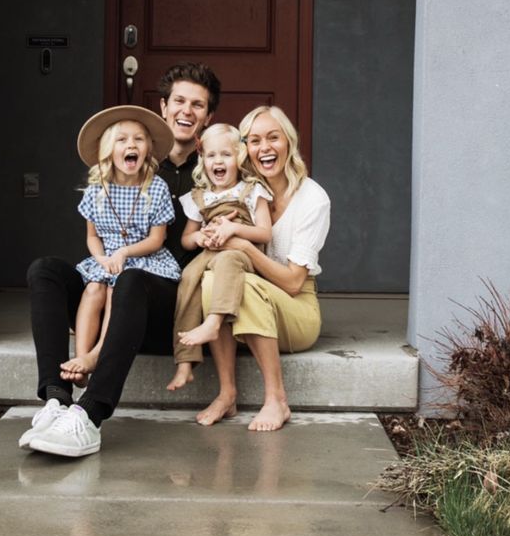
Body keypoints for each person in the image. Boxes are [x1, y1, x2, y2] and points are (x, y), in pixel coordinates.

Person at [18, 62, 220, 458]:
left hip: (166, 299)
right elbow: (96, 230)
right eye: (179, 100)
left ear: (208, 117)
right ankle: (56, 398)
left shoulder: (215, 169)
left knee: (130, 280)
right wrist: (106, 265)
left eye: (198, 105)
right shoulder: (129, 163)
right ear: (163, 108)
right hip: (112, 284)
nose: (186, 110)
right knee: (45, 271)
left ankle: (90, 415)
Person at [195, 106, 330, 432]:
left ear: (289, 143)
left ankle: (277, 399)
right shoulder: (242, 193)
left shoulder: (312, 199)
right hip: (250, 303)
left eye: (273, 138)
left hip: (296, 309)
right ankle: (227, 393)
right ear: (244, 150)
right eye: (254, 140)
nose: (264, 148)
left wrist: (241, 245)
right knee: (213, 278)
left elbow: (295, 282)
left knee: (246, 285)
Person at [59, 110, 180, 384]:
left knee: (118, 287)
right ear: (108, 150)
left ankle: (99, 352)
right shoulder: (96, 189)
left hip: (142, 259)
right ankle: (81, 356)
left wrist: (124, 253)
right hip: (106, 259)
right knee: (93, 289)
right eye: (122, 140)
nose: (131, 145)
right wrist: (101, 259)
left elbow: (156, 239)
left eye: (139, 139)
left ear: (148, 148)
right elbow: (92, 237)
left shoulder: (156, 187)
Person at [166, 123, 272, 392]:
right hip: (210, 250)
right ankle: (185, 362)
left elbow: (264, 233)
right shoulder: (199, 196)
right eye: (211, 155)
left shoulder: (251, 190)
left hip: (242, 253)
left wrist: (233, 228)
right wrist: (200, 238)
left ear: (239, 156)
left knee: (227, 261)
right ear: (203, 159)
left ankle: (213, 322)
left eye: (226, 154)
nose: (218, 161)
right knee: (189, 276)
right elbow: (186, 240)